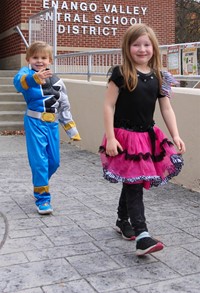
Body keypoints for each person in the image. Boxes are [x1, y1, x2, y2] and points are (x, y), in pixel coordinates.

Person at [99, 24, 186, 256]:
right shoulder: (120, 73)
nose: (142, 49)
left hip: (148, 137)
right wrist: (110, 137)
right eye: (136, 44)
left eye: (146, 44)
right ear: (127, 48)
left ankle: (122, 220)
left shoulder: (159, 76)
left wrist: (175, 134)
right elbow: (108, 106)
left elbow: (166, 109)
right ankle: (142, 235)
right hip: (124, 137)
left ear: (154, 47)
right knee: (134, 183)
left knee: (133, 180)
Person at [13, 41, 81, 215]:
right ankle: (43, 198)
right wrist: (33, 78)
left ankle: (40, 182)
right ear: (28, 59)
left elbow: (64, 105)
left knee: (54, 162)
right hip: (35, 123)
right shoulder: (26, 74)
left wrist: (71, 128)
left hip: (52, 125)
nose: (39, 61)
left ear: (49, 60)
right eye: (35, 57)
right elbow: (18, 84)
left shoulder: (57, 80)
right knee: (40, 162)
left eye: (43, 57)